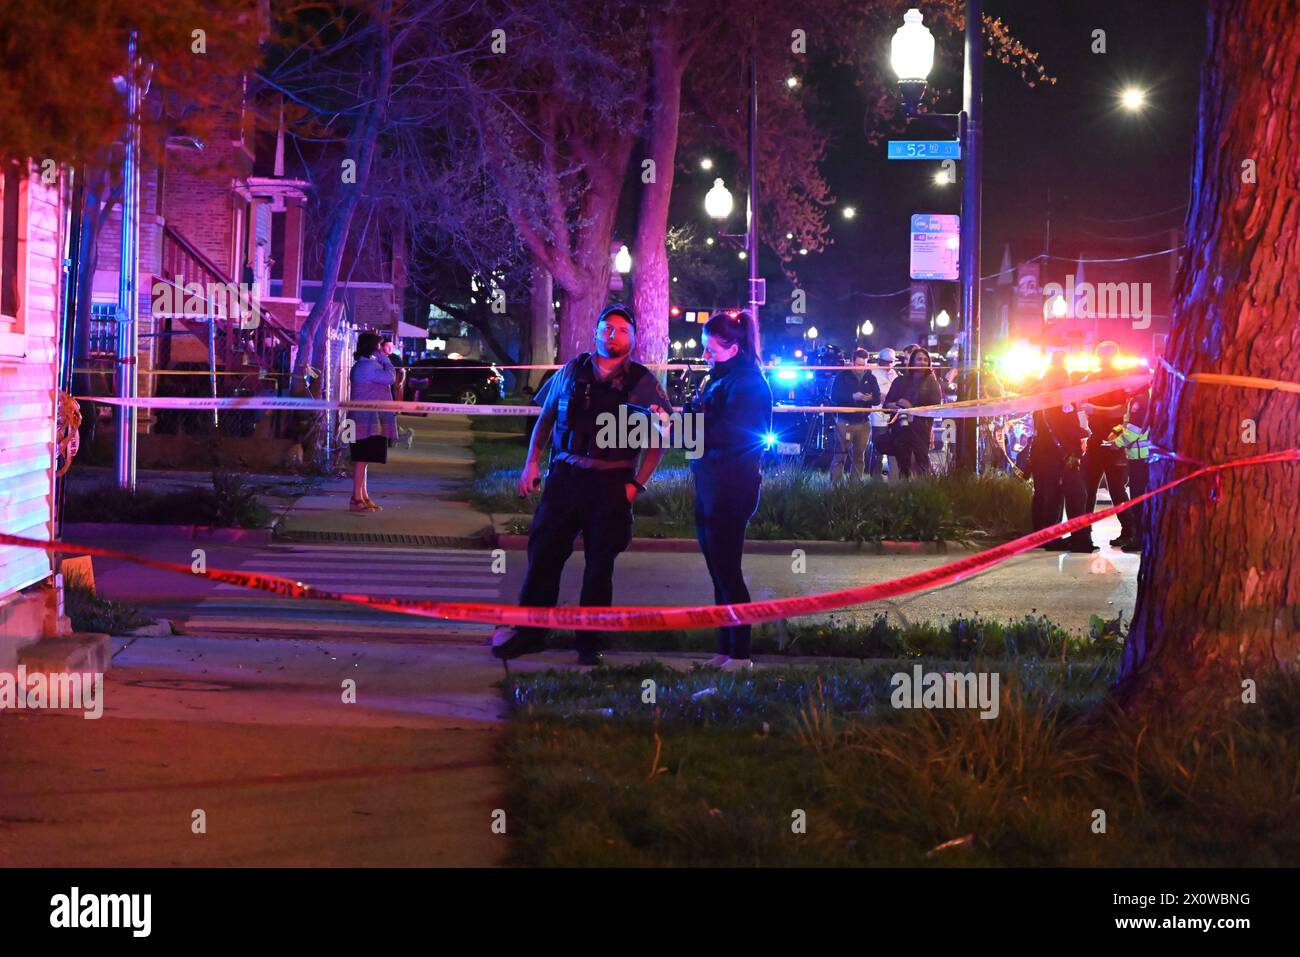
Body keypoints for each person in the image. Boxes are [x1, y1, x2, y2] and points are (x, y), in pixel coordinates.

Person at [490, 303, 670, 666]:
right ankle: (530, 634)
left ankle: (589, 643)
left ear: (633, 338)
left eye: (621, 330)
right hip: (565, 479)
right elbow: (545, 419)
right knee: (543, 558)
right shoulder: (572, 371)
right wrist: (530, 464)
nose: (612, 335)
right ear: (596, 332)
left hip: (611, 483)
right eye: (607, 327)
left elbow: (659, 440)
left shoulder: (643, 383)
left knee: (599, 565)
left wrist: (636, 485)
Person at [689, 311, 773, 671]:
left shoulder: (749, 385)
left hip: (731, 485)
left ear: (734, 347)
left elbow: (732, 434)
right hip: (710, 480)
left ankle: (741, 654)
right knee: (716, 572)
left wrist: (687, 426)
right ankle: (725, 649)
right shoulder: (719, 379)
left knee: (728, 571)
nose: (705, 356)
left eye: (711, 350)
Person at [1030, 364, 1096, 552]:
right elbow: (1066, 428)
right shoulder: (1062, 401)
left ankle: (1047, 537)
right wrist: (1083, 432)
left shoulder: (1043, 399)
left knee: (1048, 494)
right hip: (1061, 455)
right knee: (1074, 495)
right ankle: (1077, 540)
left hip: (1045, 455)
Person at [1081, 341, 1137, 547]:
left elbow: (1122, 411)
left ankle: (1130, 531)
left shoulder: (1122, 381)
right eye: (1101, 355)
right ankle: (1083, 532)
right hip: (1096, 439)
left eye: (1107, 355)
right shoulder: (1092, 379)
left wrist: (1095, 409)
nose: (1103, 359)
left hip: (1115, 438)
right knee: (1087, 487)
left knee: (1116, 489)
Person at [346, 332, 397, 512]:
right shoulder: (368, 366)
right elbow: (391, 377)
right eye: (379, 346)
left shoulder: (364, 365)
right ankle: (356, 498)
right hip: (363, 420)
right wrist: (385, 360)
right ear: (372, 347)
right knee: (361, 459)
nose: (382, 349)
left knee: (364, 459)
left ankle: (363, 495)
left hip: (361, 419)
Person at [882, 346, 943, 478]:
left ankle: (921, 493)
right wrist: (897, 406)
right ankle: (903, 493)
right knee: (903, 467)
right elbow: (886, 405)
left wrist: (911, 407)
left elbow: (935, 407)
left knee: (921, 465)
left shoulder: (932, 383)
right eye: (919, 359)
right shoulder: (899, 381)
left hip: (921, 430)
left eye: (925, 360)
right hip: (900, 430)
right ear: (912, 361)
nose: (922, 362)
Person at [1108, 388, 1151, 553]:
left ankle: (1139, 539)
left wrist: (1116, 444)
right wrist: (1117, 431)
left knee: (1139, 501)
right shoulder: (1138, 398)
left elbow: (1134, 430)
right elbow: (1129, 424)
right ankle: (1140, 537)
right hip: (1141, 457)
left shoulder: (1139, 400)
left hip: (1140, 458)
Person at [830, 347, 881, 482]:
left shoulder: (870, 378)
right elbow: (834, 396)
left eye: (863, 365)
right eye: (858, 364)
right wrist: (853, 396)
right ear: (852, 362)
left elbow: (877, 399)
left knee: (859, 456)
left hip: (863, 422)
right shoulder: (842, 376)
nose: (860, 368)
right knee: (840, 455)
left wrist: (870, 399)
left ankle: (855, 485)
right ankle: (835, 485)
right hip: (844, 421)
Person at [866, 347, 899, 478]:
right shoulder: (872, 373)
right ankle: (876, 478)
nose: (888, 365)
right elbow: (869, 393)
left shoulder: (894, 373)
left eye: (890, 362)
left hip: (893, 418)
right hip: (877, 417)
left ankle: (894, 479)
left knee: (893, 449)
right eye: (886, 362)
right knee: (878, 450)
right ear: (880, 361)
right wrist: (879, 396)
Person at [378, 337, 414, 448]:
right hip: (377, 391)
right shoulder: (377, 357)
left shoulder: (395, 358)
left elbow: (403, 371)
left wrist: (401, 383)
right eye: (388, 346)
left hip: (390, 391)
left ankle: (392, 439)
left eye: (392, 346)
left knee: (390, 414)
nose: (390, 348)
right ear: (382, 346)